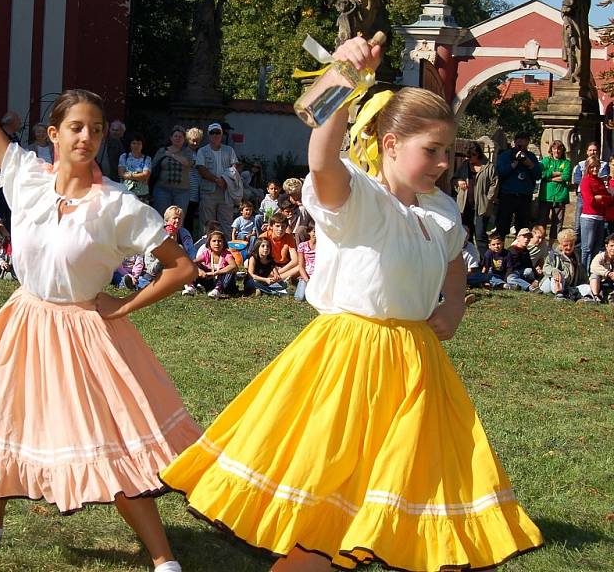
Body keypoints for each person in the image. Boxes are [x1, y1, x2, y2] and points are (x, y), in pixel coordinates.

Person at [161, 36, 542, 572]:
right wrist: (345, 73)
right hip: (350, 360)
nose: (441, 163)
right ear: (389, 144)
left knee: (395, 488)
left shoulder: (440, 211)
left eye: (448, 153)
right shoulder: (359, 199)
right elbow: (321, 156)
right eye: (429, 150)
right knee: (330, 491)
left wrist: (453, 306)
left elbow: (455, 260)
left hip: (416, 366)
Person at [0, 5, 198, 572]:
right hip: (23, 319)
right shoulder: (24, 176)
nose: (88, 137)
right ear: (53, 133)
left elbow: (181, 268)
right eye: (77, 127)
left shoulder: (118, 206)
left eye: (96, 129)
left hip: (83, 332)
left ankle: (163, 556)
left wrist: (124, 305)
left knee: (106, 438)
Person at [495, 131, 541, 236]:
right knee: (502, 226)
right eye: (520, 145)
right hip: (508, 195)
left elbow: (538, 175)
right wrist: (513, 165)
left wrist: (530, 165)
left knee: (523, 228)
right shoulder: (505, 155)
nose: (522, 148)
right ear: (515, 142)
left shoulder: (531, 157)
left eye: (525, 146)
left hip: (524, 196)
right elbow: (499, 173)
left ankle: (520, 250)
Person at [195, 123, 239, 234]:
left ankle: (227, 249)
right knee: (207, 222)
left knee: (226, 223)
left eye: (217, 132)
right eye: (212, 133)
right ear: (208, 135)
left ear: (222, 134)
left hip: (226, 191)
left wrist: (225, 180)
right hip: (208, 191)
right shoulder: (202, 151)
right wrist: (216, 180)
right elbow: (201, 168)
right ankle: (206, 248)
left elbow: (235, 167)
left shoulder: (229, 150)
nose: (215, 135)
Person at [455, 142, 498, 252]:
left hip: (482, 207)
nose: (467, 158)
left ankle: (485, 263)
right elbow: (454, 179)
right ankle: (470, 261)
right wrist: (459, 182)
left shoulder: (489, 167)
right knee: (466, 234)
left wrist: (488, 200)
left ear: (477, 154)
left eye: (470, 156)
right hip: (465, 206)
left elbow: (495, 185)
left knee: (480, 235)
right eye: (466, 156)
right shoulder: (464, 165)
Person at [151, 126, 194, 218]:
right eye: (175, 136)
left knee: (179, 218)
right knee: (161, 216)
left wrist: (172, 155)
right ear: (171, 138)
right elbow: (153, 166)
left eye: (180, 137)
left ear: (184, 139)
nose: (178, 138)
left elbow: (187, 163)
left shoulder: (187, 151)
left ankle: (176, 233)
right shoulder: (162, 151)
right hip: (162, 189)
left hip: (182, 191)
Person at [579, 155, 612, 272]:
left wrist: (600, 197)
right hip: (589, 217)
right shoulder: (585, 181)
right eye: (592, 167)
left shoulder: (599, 181)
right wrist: (601, 199)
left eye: (597, 167)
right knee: (587, 248)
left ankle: (593, 273)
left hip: (600, 217)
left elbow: (610, 199)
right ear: (588, 167)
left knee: (596, 248)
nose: (595, 169)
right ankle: (583, 273)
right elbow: (589, 201)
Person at [539, 228, 591, 300]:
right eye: (565, 245)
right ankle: (559, 295)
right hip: (550, 284)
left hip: (569, 287)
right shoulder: (554, 255)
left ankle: (585, 298)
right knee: (558, 273)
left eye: (571, 245)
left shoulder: (577, 257)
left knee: (588, 288)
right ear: (560, 244)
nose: (569, 247)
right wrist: (554, 271)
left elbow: (583, 275)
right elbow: (546, 267)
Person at [572, 142, 610, 239]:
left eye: (595, 150)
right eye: (590, 150)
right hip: (582, 196)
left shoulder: (604, 164)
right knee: (578, 224)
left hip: (599, 196)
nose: (592, 152)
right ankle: (576, 245)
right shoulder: (580, 164)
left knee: (598, 224)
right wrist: (590, 184)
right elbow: (577, 179)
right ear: (587, 152)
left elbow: (604, 178)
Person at [537, 140, 572, 244]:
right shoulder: (545, 161)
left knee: (557, 223)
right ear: (551, 150)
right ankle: (540, 244)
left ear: (562, 150)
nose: (557, 151)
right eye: (555, 148)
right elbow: (541, 174)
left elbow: (566, 176)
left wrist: (550, 178)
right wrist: (555, 173)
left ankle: (551, 246)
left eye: (559, 148)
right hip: (546, 196)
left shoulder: (566, 162)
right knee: (541, 222)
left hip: (560, 196)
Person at [192, 229, 237, 299]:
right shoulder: (207, 253)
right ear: (209, 243)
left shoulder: (226, 254)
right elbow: (192, 263)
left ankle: (218, 289)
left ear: (224, 243)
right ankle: (190, 286)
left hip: (224, 283)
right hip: (209, 281)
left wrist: (216, 273)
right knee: (195, 266)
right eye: (214, 241)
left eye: (219, 241)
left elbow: (234, 266)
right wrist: (200, 271)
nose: (217, 243)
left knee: (230, 270)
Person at [260, 213, 298, 281]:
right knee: (247, 264)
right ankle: (281, 278)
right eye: (277, 226)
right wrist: (273, 270)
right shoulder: (264, 237)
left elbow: (295, 260)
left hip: (284, 266)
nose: (280, 229)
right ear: (271, 226)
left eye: (283, 226)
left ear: (286, 227)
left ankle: (274, 278)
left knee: (300, 266)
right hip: (269, 265)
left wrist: (278, 272)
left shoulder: (289, 237)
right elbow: (259, 258)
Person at [118, 132, 151, 203]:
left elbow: (146, 175)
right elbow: (121, 173)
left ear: (142, 145)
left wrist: (130, 175)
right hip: (126, 192)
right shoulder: (124, 157)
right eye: (134, 143)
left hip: (142, 194)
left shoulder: (147, 158)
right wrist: (139, 175)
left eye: (139, 143)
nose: (136, 146)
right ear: (130, 144)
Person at [183, 127, 204, 236]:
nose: (195, 142)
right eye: (192, 140)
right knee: (184, 217)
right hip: (184, 188)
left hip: (195, 190)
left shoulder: (200, 153)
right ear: (187, 140)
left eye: (197, 140)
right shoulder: (183, 152)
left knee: (190, 218)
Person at [589, 233, 614, 303]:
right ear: (606, 246)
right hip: (601, 282)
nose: (613, 248)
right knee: (594, 275)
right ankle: (595, 296)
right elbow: (593, 266)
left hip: (611, 283)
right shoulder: (600, 256)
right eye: (611, 246)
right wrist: (608, 273)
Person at [294, 224, 316, 302]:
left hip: (318, 276)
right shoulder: (302, 245)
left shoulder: (323, 246)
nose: (316, 234)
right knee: (300, 297)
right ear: (309, 232)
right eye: (314, 231)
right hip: (306, 276)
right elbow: (301, 266)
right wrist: (307, 280)